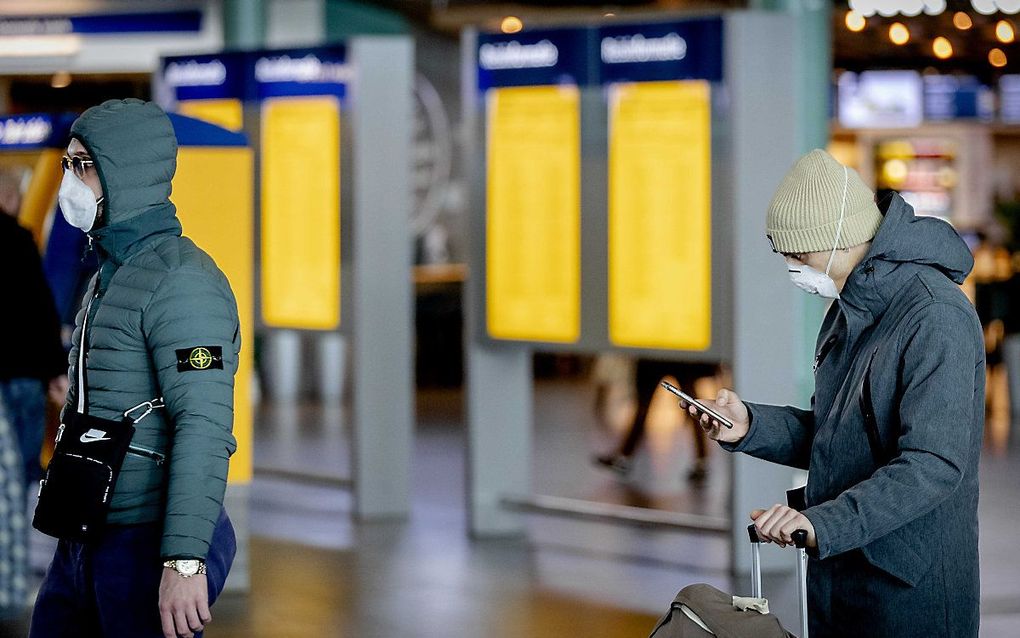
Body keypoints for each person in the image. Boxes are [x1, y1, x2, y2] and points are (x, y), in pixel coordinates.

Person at [685, 150, 984, 636]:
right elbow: (839, 434)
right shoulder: (851, 308)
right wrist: (750, 424)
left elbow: (933, 464)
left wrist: (825, 523)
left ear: (838, 241)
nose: (791, 267)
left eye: (797, 255)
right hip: (844, 568)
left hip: (909, 586)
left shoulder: (935, 317)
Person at [29, 99, 240, 638]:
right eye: (67, 164)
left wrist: (185, 562)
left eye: (84, 165)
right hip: (86, 531)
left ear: (126, 171)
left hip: (145, 539)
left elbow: (205, 426)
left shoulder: (182, 281)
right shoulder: (107, 275)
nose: (70, 181)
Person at [0, 168, 68, 490]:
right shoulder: (19, 240)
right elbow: (40, 311)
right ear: (11, 198)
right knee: (23, 463)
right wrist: (57, 368)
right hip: (24, 370)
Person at [593, 358, 716, 481]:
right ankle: (702, 461)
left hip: (661, 355)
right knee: (691, 407)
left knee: (647, 407)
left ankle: (624, 458)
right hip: (675, 356)